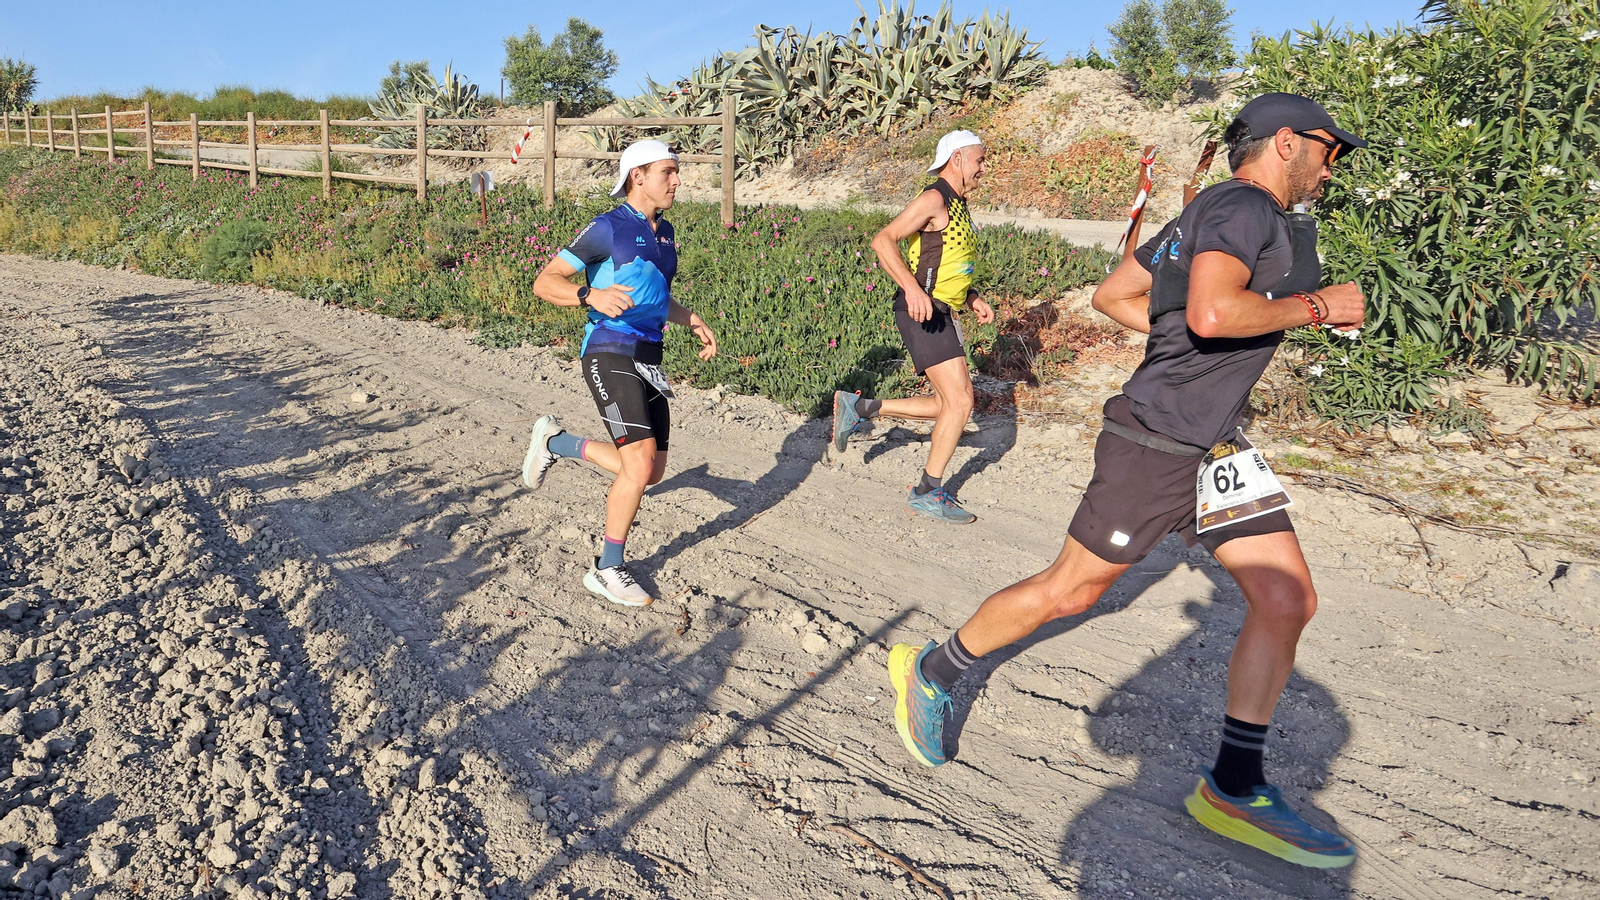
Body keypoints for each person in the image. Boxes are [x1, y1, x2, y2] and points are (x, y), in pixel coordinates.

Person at [885, 94, 1369, 868]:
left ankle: (1235, 786)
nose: (1331, 165)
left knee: (1286, 599)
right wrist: (1314, 307)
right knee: (1071, 591)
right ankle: (931, 670)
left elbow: (1115, 297)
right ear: (1286, 142)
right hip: (1157, 441)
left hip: (1215, 445)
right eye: (1328, 149)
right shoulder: (1244, 208)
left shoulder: (1211, 210)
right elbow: (1214, 316)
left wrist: (1192, 337)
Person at [520, 139, 718, 607]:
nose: (677, 180)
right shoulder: (607, 228)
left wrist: (690, 319)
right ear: (638, 176)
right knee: (639, 464)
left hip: (649, 356)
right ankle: (607, 568)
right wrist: (589, 295)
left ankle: (555, 442)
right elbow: (545, 282)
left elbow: (653, 293)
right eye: (668, 171)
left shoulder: (665, 232)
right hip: (608, 349)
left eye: (676, 171)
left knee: (651, 471)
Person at [831, 130, 995, 524]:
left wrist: (971, 297)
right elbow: (883, 240)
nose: (983, 169)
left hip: (944, 311)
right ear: (957, 159)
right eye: (979, 160)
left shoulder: (958, 204)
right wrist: (912, 290)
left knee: (946, 405)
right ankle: (926, 492)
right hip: (922, 311)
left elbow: (946, 262)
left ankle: (861, 408)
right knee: (961, 402)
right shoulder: (934, 198)